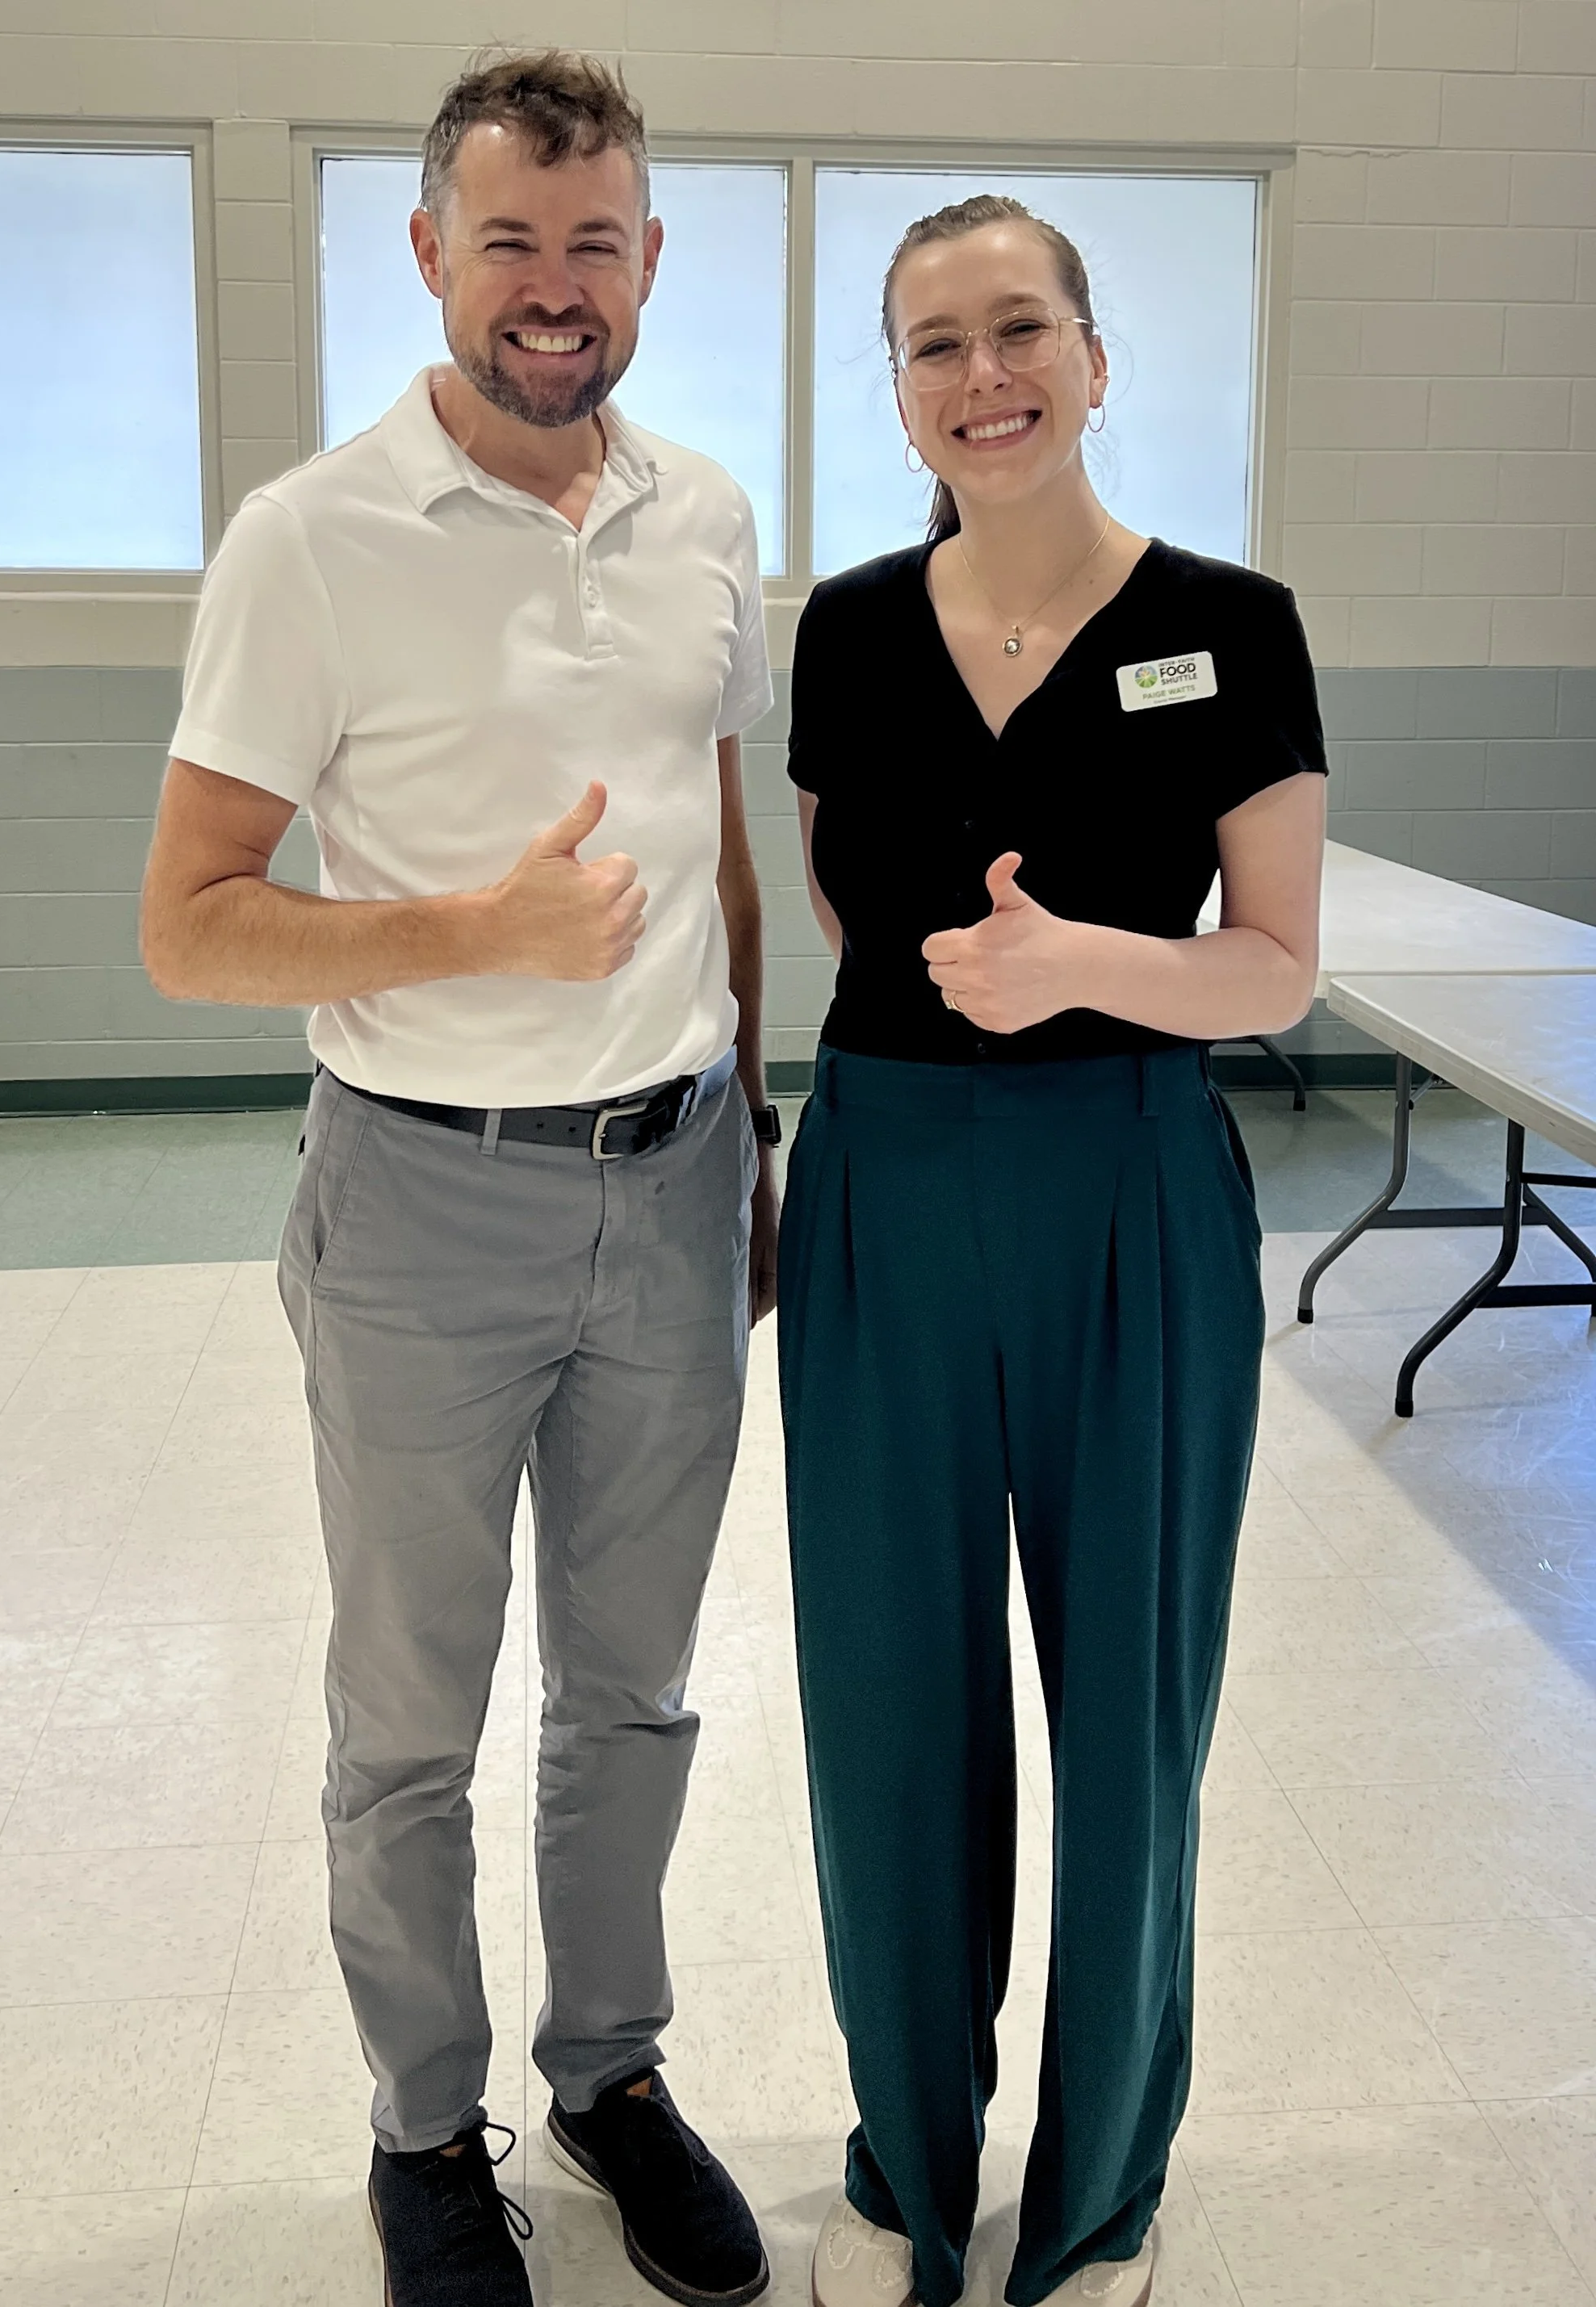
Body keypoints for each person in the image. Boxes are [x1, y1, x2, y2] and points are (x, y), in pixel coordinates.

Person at [140, 51, 782, 2307]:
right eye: (509, 237)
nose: (552, 284)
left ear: (648, 264)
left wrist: (753, 1113)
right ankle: (429, 2127)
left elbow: (716, 832)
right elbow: (189, 918)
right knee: (409, 1716)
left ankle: (610, 2071)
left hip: (683, 1186)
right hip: (422, 1206)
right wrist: (472, 934)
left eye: (594, 239)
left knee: (638, 1689)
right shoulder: (311, 537)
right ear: (429, 253)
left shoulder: (705, 513)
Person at [781, 195, 1326, 2307]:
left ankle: (1099, 2195)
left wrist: (1087, 964)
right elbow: (850, 913)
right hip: (892, 1195)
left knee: (1131, 1709)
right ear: (902, 391)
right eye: (935, 345)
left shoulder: (1233, 623)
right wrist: (965, 1020)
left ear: (1098, 358)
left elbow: (1273, 970)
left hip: (1131, 1190)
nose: (983, 376)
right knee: (891, 1703)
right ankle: (904, 2167)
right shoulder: (841, 628)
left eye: (1022, 330)